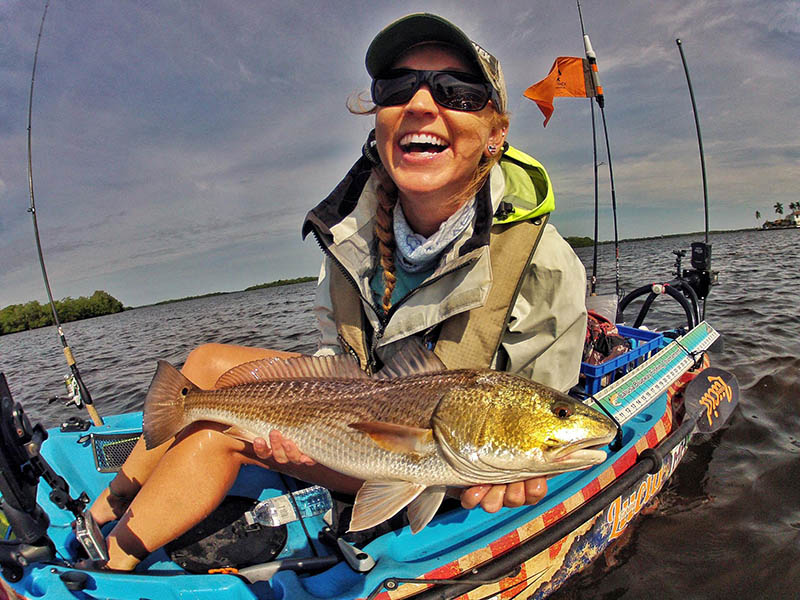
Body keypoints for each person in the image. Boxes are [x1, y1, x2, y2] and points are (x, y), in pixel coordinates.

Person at [86, 13, 587, 571]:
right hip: (363, 410)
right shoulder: (348, 232)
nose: (422, 104)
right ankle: (107, 506)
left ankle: (110, 568)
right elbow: (336, 358)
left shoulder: (546, 266)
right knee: (203, 364)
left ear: (496, 134)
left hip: (442, 459)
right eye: (397, 87)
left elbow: (541, 408)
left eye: (459, 92)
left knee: (216, 435)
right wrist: (302, 417)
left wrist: (520, 471)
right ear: (379, 119)